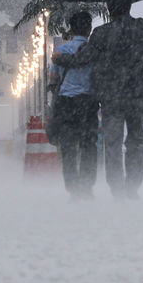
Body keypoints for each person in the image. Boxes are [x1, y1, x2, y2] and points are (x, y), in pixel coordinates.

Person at [53, 0, 143, 200]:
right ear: (130, 6)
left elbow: (83, 58)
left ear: (109, 11)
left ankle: (116, 187)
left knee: (113, 142)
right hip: (137, 94)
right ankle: (132, 186)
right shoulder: (142, 27)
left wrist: (62, 59)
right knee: (136, 140)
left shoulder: (102, 33)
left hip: (112, 95)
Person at [49, 11, 98, 200]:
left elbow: (54, 79)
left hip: (67, 103)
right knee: (88, 146)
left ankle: (72, 189)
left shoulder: (62, 51)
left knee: (68, 147)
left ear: (71, 28)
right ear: (89, 29)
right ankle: (87, 187)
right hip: (88, 103)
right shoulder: (94, 50)